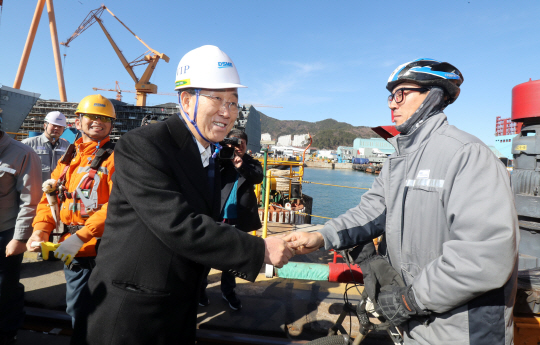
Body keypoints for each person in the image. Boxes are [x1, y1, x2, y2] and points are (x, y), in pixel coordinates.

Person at [284, 59, 519, 345]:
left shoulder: (467, 155)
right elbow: (371, 210)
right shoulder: (399, 161)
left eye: (401, 93)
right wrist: (321, 235)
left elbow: (484, 254)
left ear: (433, 95)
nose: (391, 104)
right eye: (390, 95)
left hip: (464, 330)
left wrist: (410, 301)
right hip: (415, 325)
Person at [72, 45, 294, 345]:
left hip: (177, 309)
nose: (227, 112)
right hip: (131, 314)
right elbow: (178, 224)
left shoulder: (211, 155)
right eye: (217, 99)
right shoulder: (143, 145)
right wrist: (260, 250)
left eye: (233, 102)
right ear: (186, 100)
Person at [26, 95, 116, 329]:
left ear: (111, 125)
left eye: (105, 118)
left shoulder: (115, 158)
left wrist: (82, 236)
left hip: (101, 251)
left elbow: (118, 203)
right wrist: (40, 231)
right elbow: (50, 196)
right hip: (72, 250)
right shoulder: (70, 157)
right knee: (77, 310)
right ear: (78, 122)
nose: (98, 121)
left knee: (97, 314)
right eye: (93, 116)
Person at [199, 129, 264, 310]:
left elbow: (258, 177)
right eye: (234, 142)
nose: (238, 146)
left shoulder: (251, 162)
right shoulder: (219, 160)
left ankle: (228, 292)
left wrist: (240, 164)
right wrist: (223, 155)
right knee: (206, 254)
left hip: (240, 217)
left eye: (241, 143)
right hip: (218, 214)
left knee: (234, 258)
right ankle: (200, 290)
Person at [0, 119, 42, 344]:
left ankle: (7, 332)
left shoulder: (22, 153)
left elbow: (30, 201)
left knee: (4, 289)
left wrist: (20, 238)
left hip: (5, 233)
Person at [22, 111, 70, 184]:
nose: (56, 128)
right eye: (53, 125)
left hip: (57, 191)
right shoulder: (28, 144)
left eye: (60, 126)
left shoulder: (67, 146)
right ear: (45, 125)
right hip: (35, 190)